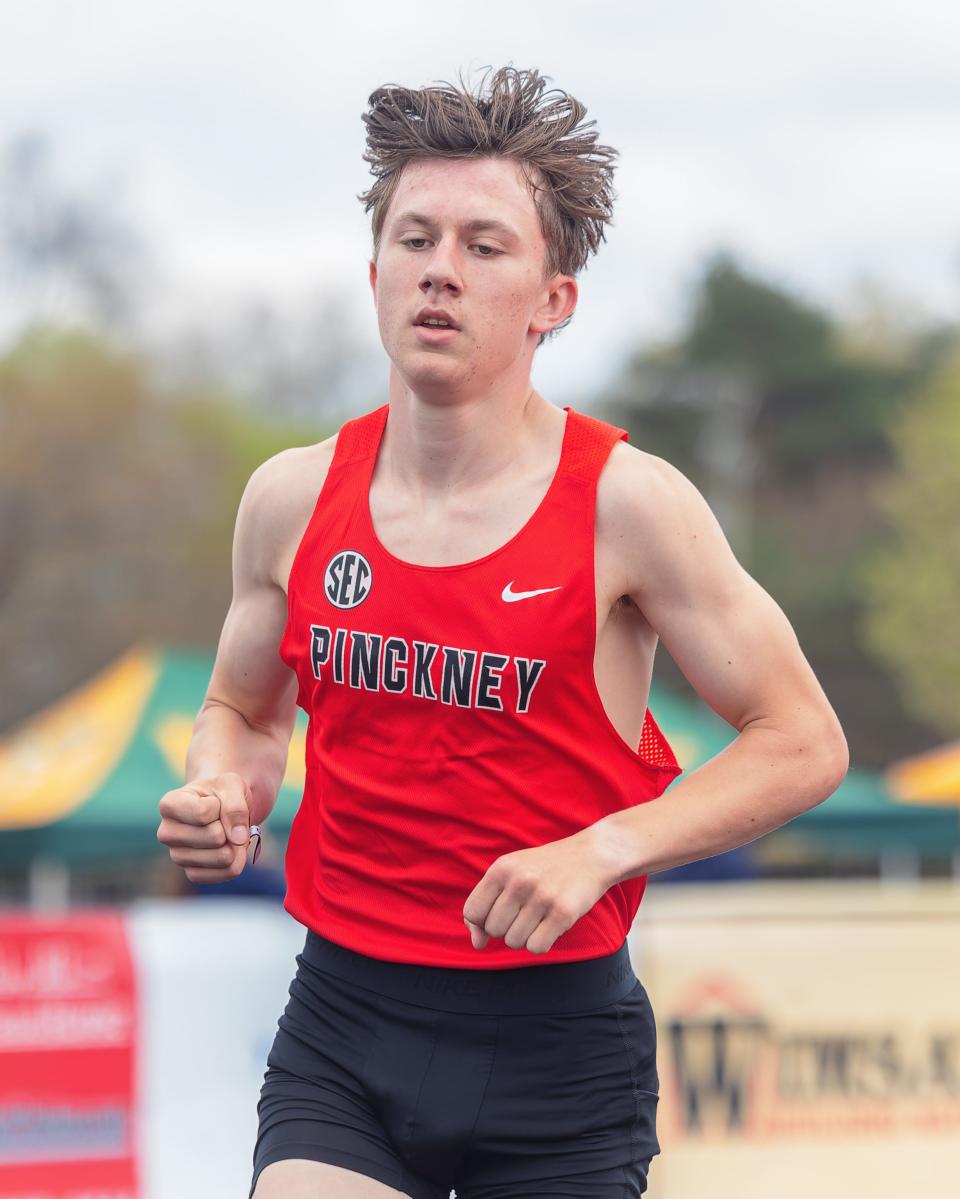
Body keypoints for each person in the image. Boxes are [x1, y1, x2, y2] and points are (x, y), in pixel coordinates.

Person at [156, 65, 849, 1199]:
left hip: (557, 1052)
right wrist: (222, 789)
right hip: (346, 1022)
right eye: (416, 238)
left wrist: (606, 846)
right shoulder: (289, 496)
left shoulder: (632, 504)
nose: (442, 269)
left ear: (552, 300)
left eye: (485, 245)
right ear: (374, 272)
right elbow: (243, 709)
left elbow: (804, 737)